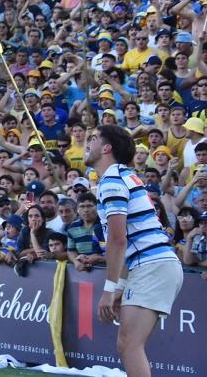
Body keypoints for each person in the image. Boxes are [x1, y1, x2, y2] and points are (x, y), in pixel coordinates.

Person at [87, 124, 183, 377]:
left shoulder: (112, 181)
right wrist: (120, 286)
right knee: (126, 345)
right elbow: (128, 242)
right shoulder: (120, 176)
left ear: (106, 148)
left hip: (152, 265)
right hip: (153, 264)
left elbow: (118, 240)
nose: (88, 143)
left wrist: (109, 290)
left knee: (130, 346)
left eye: (94, 138)